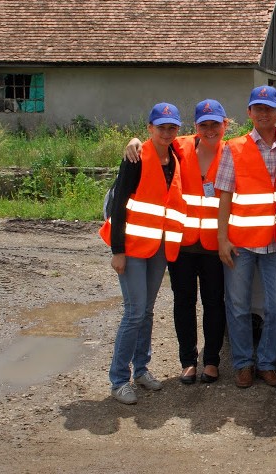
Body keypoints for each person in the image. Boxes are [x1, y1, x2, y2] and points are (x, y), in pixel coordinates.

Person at [125, 99, 228, 385]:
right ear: (195, 126)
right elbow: (152, 143)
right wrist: (133, 141)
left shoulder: (232, 152)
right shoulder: (180, 147)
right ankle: (188, 361)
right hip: (181, 243)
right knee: (184, 302)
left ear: (225, 125)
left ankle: (211, 361)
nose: (210, 130)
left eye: (215, 124)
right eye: (204, 124)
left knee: (214, 303)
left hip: (214, 245)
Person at [100, 102, 186, 404]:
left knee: (147, 311)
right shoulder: (135, 157)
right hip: (133, 248)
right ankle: (118, 380)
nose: (167, 132)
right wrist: (118, 251)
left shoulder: (176, 156)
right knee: (134, 312)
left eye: (172, 127)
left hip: (159, 247)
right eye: (161, 127)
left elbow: (206, 137)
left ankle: (141, 369)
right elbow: (119, 204)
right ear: (150, 128)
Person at [216, 86, 276, 389]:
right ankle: (243, 364)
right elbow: (224, 196)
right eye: (258, 108)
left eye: (269, 108)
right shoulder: (233, 148)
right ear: (249, 112)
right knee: (237, 306)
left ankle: (267, 364)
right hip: (241, 243)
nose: (263, 113)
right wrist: (222, 239)